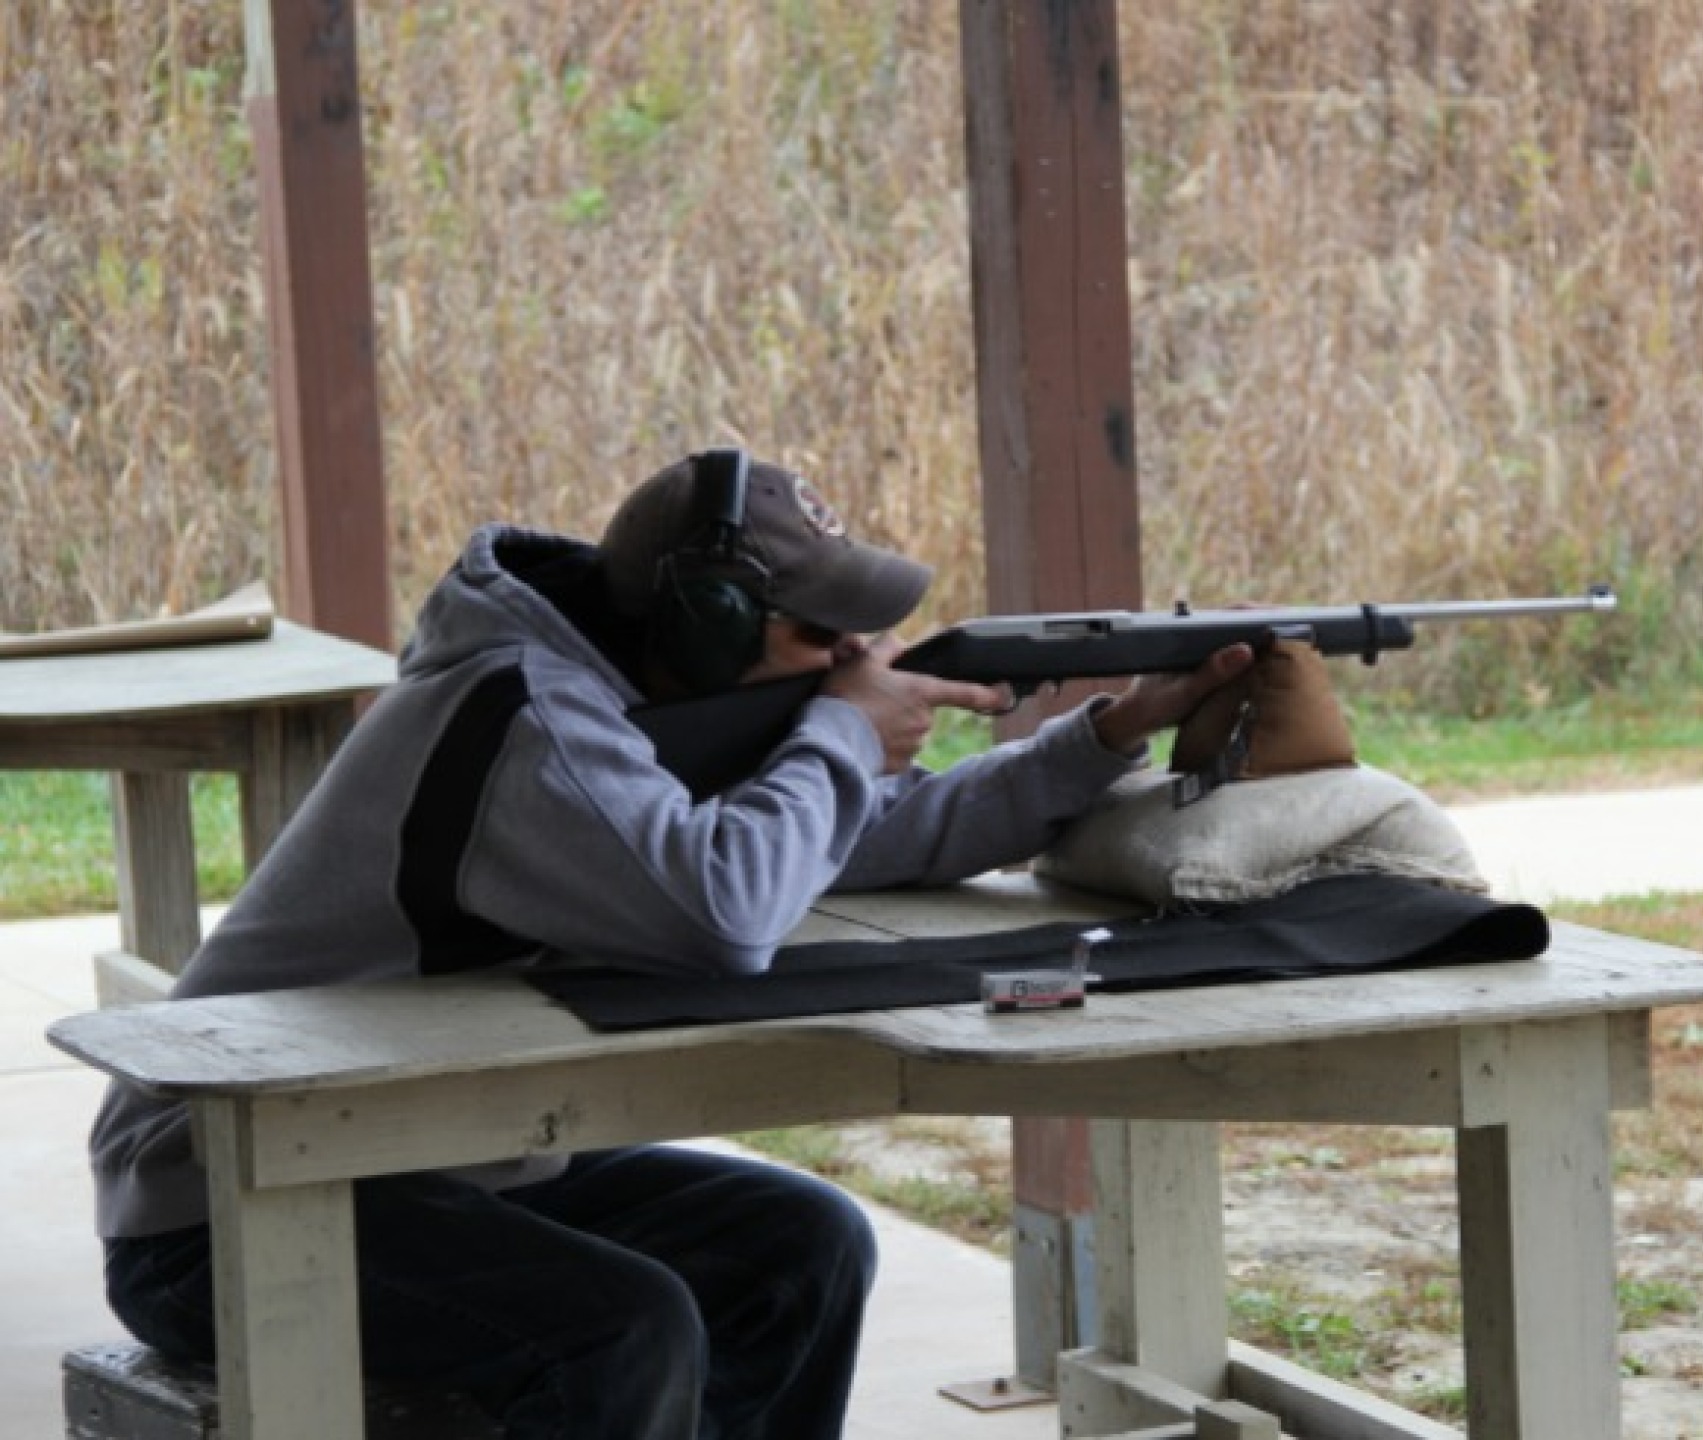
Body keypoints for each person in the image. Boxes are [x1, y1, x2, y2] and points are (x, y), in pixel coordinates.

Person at [86, 448, 1254, 1440]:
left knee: (804, 1246)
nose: (862, 655)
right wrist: (842, 735)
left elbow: (865, 837)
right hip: (226, 1203)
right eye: (827, 634)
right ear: (710, 628)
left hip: (439, 1161)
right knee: (625, 1326)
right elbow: (727, 912)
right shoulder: (524, 720)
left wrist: (1104, 735)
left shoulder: (614, 706)